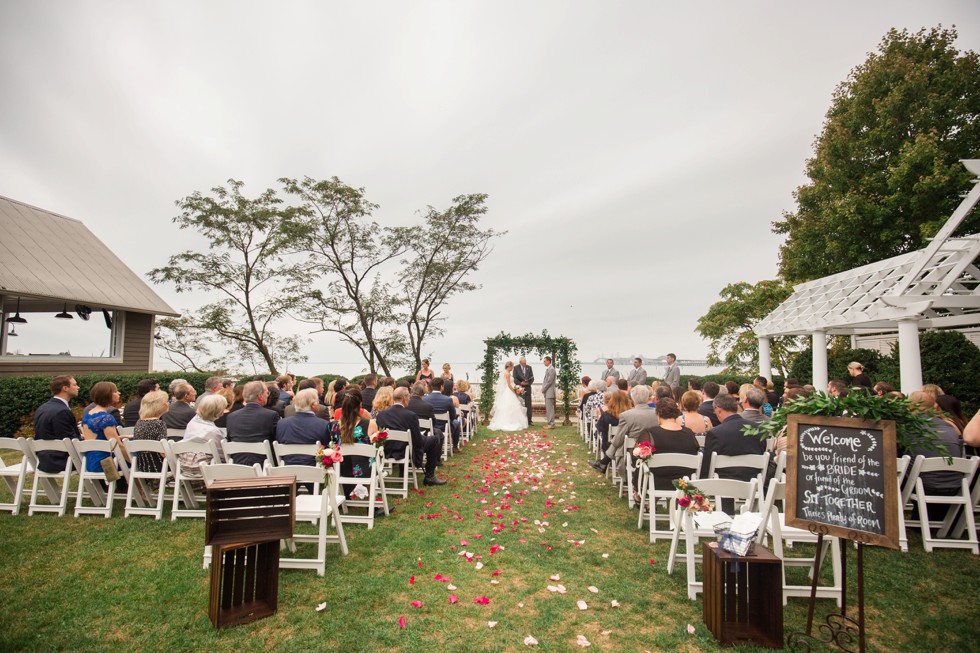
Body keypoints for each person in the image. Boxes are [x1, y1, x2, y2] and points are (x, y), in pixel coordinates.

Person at [906, 391, 964, 522]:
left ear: (909, 405)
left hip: (922, 485)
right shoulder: (950, 427)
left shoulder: (909, 427)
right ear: (934, 406)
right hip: (955, 485)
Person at [376, 387, 446, 486]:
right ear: (404, 398)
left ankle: (402, 472)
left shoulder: (381, 415)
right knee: (434, 439)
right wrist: (425, 437)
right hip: (406, 451)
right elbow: (418, 441)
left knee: (407, 441)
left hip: (387, 450)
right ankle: (429, 476)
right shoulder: (410, 415)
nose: (409, 398)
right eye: (408, 396)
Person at [591, 385, 658, 475]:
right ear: (648, 398)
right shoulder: (657, 413)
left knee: (619, 440)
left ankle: (604, 462)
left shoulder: (626, 415)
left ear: (633, 398)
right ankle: (603, 462)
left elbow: (618, 439)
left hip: (631, 453)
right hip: (654, 450)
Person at [699, 394, 766, 481]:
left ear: (718, 410)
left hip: (723, 482)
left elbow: (708, 464)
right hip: (754, 481)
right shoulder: (759, 428)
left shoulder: (716, 433)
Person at [330, 389, 378, 501]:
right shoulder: (370, 424)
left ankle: (343, 496)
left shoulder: (333, 426)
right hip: (365, 471)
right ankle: (371, 502)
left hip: (340, 470)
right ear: (360, 405)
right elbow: (376, 445)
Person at [644, 398, 699, 494]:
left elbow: (640, 458)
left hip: (657, 480)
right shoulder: (689, 433)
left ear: (658, 414)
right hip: (685, 480)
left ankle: (639, 494)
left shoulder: (650, 433)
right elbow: (695, 451)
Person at [80, 381, 130, 478]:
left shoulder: (87, 416)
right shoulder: (106, 418)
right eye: (115, 391)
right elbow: (118, 446)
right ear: (107, 395)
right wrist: (132, 460)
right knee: (139, 458)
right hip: (106, 464)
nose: (119, 393)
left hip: (90, 463)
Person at [225, 380, 280, 468]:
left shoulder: (231, 416)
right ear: (260, 396)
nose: (267, 395)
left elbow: (229, 440)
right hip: (264, 465)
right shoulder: (271, 415)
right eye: (267, 392)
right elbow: (277, 440)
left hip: (238, 465)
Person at [33, 375, 81, 472]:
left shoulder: (42, 408)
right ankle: (109, 487)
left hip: (44, 459)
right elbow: (69, 440)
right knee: (101, 458)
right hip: (60, 461)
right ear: (65, 388)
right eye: (75, 385)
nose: (78, 387)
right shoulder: (62, 411)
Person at [275, 388, 331, 466]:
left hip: (287, 468)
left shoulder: (281, 424)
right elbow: (328, 449)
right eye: (318, 401)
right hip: (315, 469)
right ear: (313, 405)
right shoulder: (324, 425)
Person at [177, 394, 228, 478]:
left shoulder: (192, 422)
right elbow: (223, 455)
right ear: (217, 411)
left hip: (186, 467)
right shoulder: (213, 432)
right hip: (206, 470)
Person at [133, 389, 169, 473]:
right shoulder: (159, 424)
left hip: (143, 466)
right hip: (160, 466)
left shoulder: (139, 422)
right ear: (163, 406)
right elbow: (163, 451)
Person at [489, 361, 529, 432]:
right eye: (512, 366)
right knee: (509, 407)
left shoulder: (508, 373)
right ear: (509, 366)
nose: (513, 367)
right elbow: (509, 385)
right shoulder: (507, 374)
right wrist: (515, 391)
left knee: (511, 407)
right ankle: (508, 422)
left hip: (510, 390)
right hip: (509, 391)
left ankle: (511, 421)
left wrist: (516, 389)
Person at [594, 390, 631, 456]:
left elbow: (600, 429)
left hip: (609, 446)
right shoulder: (631, 415)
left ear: (612, 400)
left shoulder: (607, 415)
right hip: (628, 447)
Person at [513, 356, 534, 425]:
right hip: (519, 389)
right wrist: (520, 383)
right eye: (523, 363)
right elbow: (514, 378)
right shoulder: (516, 368)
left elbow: (532, 378)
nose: (524, 364)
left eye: (525, 363)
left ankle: (529, 420)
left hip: (528, 388)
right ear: (520, 362)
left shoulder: (529, 367)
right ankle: (520, 420)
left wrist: (528, 383)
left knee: (528, 405)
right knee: (520, 404)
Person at [541, 355, 557, 429]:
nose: (544, 362)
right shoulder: (549, 369)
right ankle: (550, 423)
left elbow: (549, 382)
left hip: (550, 392)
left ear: (548, 361)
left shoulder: (551, 369)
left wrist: (543, 389)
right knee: (549, 408)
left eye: (544, 361)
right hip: (548, 392)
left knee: (550, 408)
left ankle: (551, 424)